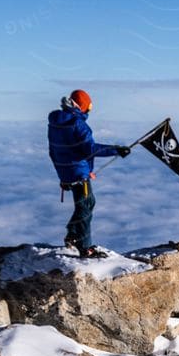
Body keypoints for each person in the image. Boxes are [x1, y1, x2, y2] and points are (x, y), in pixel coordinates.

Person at [47, 90, 131, 259]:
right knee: (85, 206)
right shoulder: (78, 124)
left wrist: (64, 176)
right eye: (89, 108)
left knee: (86, 203)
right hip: (77, 172)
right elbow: (89, 149)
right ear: (83, 107)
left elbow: (56, 150)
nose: (89, 111)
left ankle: (72, 235)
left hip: (66, 170)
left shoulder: (55, 122)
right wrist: (117, 150)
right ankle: (84, 247)